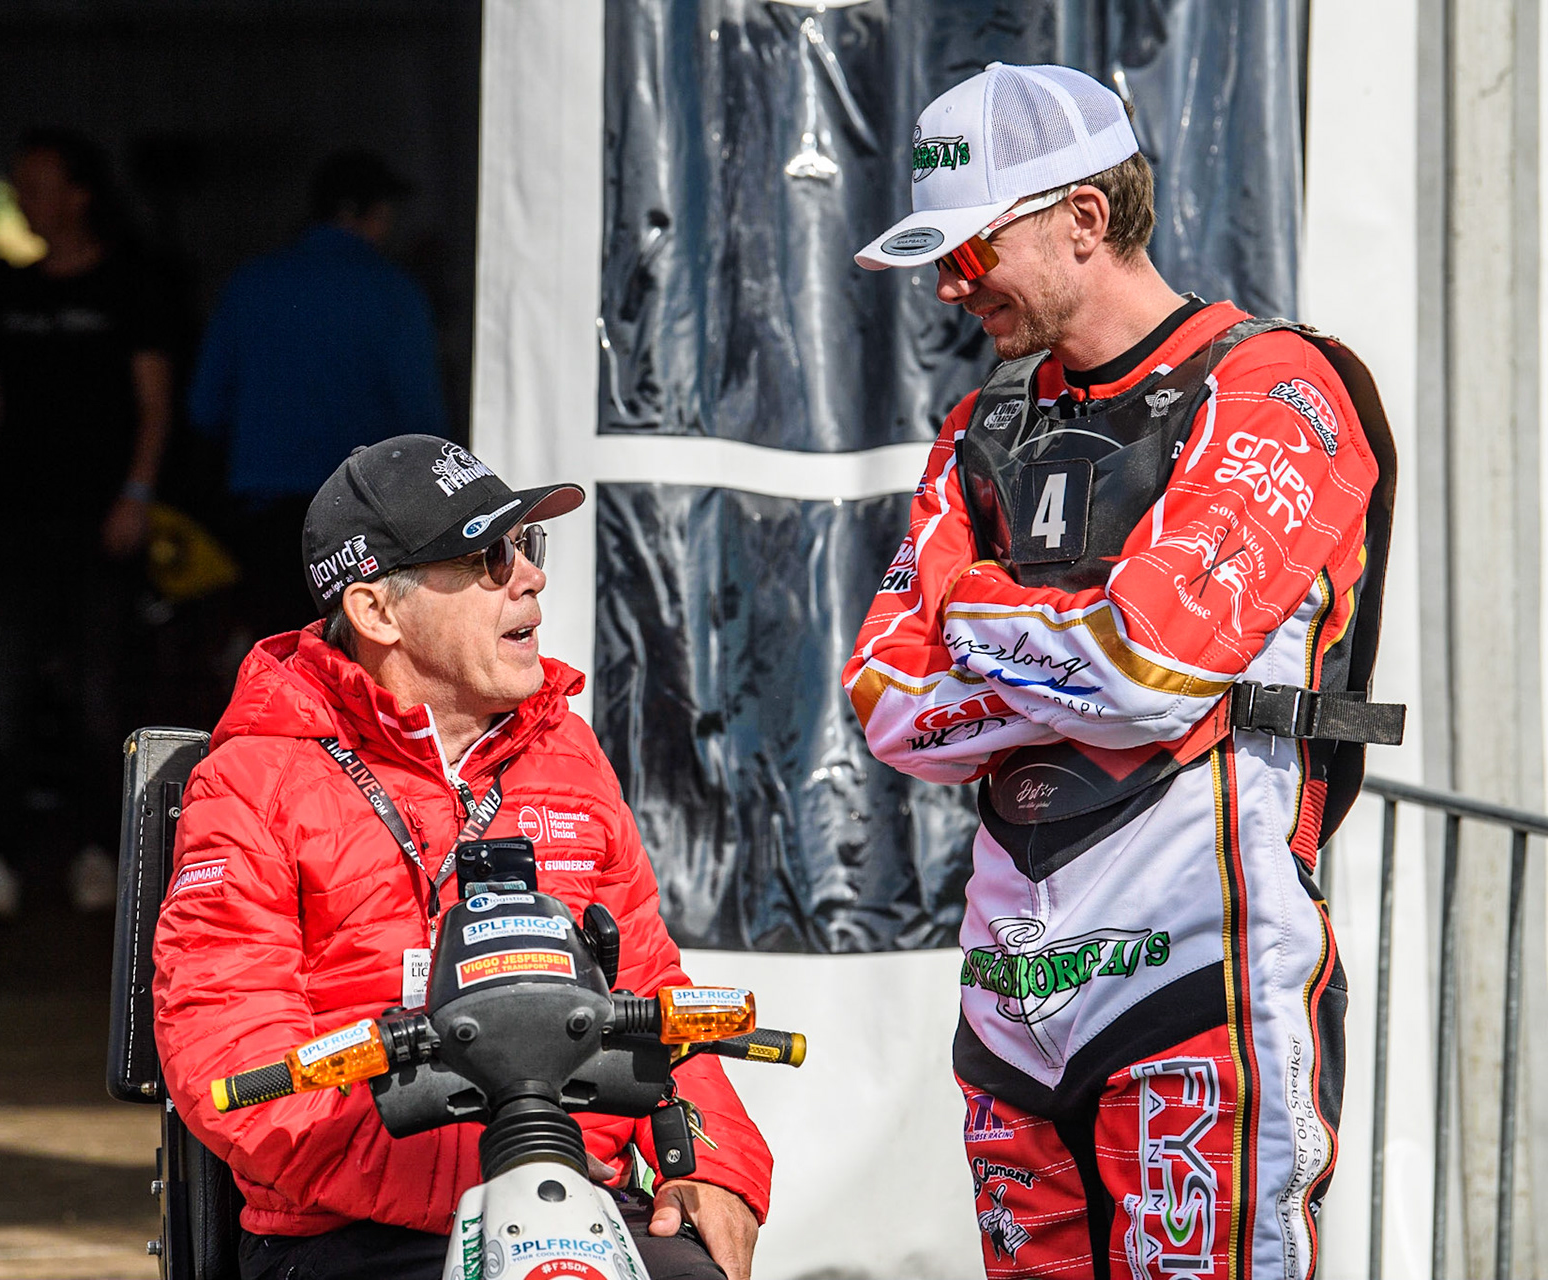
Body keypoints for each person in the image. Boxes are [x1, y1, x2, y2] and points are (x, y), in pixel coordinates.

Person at [843, 63, 1398, 1279]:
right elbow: (885, 700)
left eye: (971, 249)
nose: (947, 286)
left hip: (1199, 976)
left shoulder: (1274, 387)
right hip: (1012, 1003)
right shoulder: (982, 424)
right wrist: (1073, 657)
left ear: (1084, 219)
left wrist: (974, 607)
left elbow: (1145, 660)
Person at [151, 435, 772, 1280]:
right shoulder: (254, 780)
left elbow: (654, 995)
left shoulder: (568, 753)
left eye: (526, 545)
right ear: (377, 613)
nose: (531, 577)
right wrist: (490, 1178)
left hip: (579, 1204)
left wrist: (710, 1164)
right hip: (353, 1230)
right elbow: (231, 1051)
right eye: (489, 558)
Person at [0, 128, 177, 917]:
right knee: (2, 695)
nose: (24, 200)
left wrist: (136, 493)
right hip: (10, 524)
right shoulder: (5, 293)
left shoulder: (129, 285)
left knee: (99, 697)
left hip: (98, 523)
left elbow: (154, 403)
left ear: (79, 194)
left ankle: (102, 854)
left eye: (35, 184)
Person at [187, 149, 445, 641]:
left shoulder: (249, 285)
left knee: (272, 651)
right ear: (361, 213)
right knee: (354, 654)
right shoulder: (394, 293)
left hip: (261, 515)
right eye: (384, 214)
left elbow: (204, 409)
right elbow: (423, 429)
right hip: (364, 521)